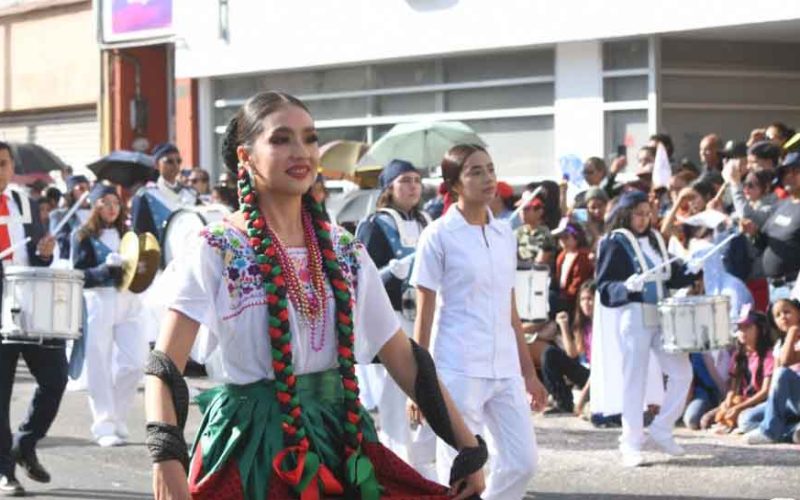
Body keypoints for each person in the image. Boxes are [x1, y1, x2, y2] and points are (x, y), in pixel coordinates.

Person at [145, 92, 486, 500]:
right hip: (252, 451)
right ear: (246, 156)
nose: (300, 151)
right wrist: (167, 457)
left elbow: (403, 357)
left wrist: (468, 446)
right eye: (281, 139)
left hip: (339, 442)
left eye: (309, 138)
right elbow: (165, 365)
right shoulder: (216, 248)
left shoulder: (345, 251)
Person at [410, 143, 546, 499]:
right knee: (458, 470)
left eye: (490, 169)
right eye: (475, 171)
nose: (487, 178)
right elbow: (425, 310)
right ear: (454, 184)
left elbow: (511, 310)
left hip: (504, 368)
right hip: (457, 366)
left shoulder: (505, 234)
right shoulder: (437, 235)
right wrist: (419, 381)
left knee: (523, 462)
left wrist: (529, 373)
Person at [592, 190, 700, 467]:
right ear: (626, 214)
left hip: (662, 314)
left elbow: (671, 276)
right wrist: (626, 287)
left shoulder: (655, 240)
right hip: (634, 314)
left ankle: (662, 428)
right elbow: (604, 287)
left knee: (681, 372)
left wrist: (690, 269)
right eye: (639, 214)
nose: (644, 219)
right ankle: (630, 442)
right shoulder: (614, 242)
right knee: (634, 380)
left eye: (647, 213)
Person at [355, 158, 435, 478]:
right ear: (389, 188)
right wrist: (390, 271)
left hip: (426, 314)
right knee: (395, 392)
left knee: (429, 387)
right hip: (393, 316)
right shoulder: (375, 224)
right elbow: (362, 275)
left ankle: (426, 460)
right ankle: (397, 460)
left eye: (417, 180)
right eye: (405, 180)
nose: (413, 186)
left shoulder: (430, 221)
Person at [0, 142, 59, 497]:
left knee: (55, 379)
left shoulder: (24, 201)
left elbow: (36, 258)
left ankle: (26, 441)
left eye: (3, 163)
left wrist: (44, 254)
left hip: (29, 303)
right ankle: (4, 472)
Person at [73, 182, 147, 448]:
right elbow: (78, 275)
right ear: (95, 205)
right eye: (106, 202)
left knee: (135, 362)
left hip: (128, 301)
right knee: (99, 365)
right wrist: (104, 269)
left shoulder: (129, 235)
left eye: (116, 203)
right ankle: (104, 424)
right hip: (99, 301)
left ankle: (118, 415)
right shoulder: (83, 236)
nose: (112, 208)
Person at [703, 309, 773, 432]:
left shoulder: (768, 355)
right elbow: (733, 388)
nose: (742, 332)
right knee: (705, 421)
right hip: (741, 400)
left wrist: (739, 407)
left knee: (744, 420)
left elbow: (765, 392)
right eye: (740, 328)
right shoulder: (738, 355)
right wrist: (728, 401)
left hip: (758, 401)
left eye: (747, 327)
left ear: (761, 329)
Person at [745, 298, 800, 444]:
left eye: (787, 312)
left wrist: (793, 331)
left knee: (783, 373)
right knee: (746, 420)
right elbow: (774, 384)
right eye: (778, 315)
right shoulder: (779, 345)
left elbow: (786, 362)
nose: (783, 317)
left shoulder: (793, 337)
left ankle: (769, 432)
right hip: (787, 402)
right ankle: (794, 430)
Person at [130, 143, 197, 242]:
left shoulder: (190, 194)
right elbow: (139, 234)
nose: (175, 165)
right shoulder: (145, 196)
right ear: (157, 165)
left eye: (179, 161)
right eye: (169, 161)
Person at [545, 281, 595, 415]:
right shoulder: (583, 325)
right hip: (586, 373)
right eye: (583, 299)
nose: (586, 303)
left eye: (590, 299)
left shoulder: (602, 326)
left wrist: (582, 400)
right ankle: (563, 402)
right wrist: (564, 326)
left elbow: (599, 368)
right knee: (550, 354)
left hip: (598, 377)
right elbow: (573, 354)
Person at [553, 221, 593, 315]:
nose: (563, 241)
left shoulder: (583, 256)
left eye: (566, 237)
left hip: (574, 300)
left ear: (577, 238)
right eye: (560, 238)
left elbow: (577, 283)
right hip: (563, 296)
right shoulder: (561, 256)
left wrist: (563, 298)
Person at [50, 174, 91, 260]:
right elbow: (61, 242)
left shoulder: (95, 213)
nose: (86, 192)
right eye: (81, 189)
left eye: (89, 189)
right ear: (71, 192)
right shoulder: (59, 215)